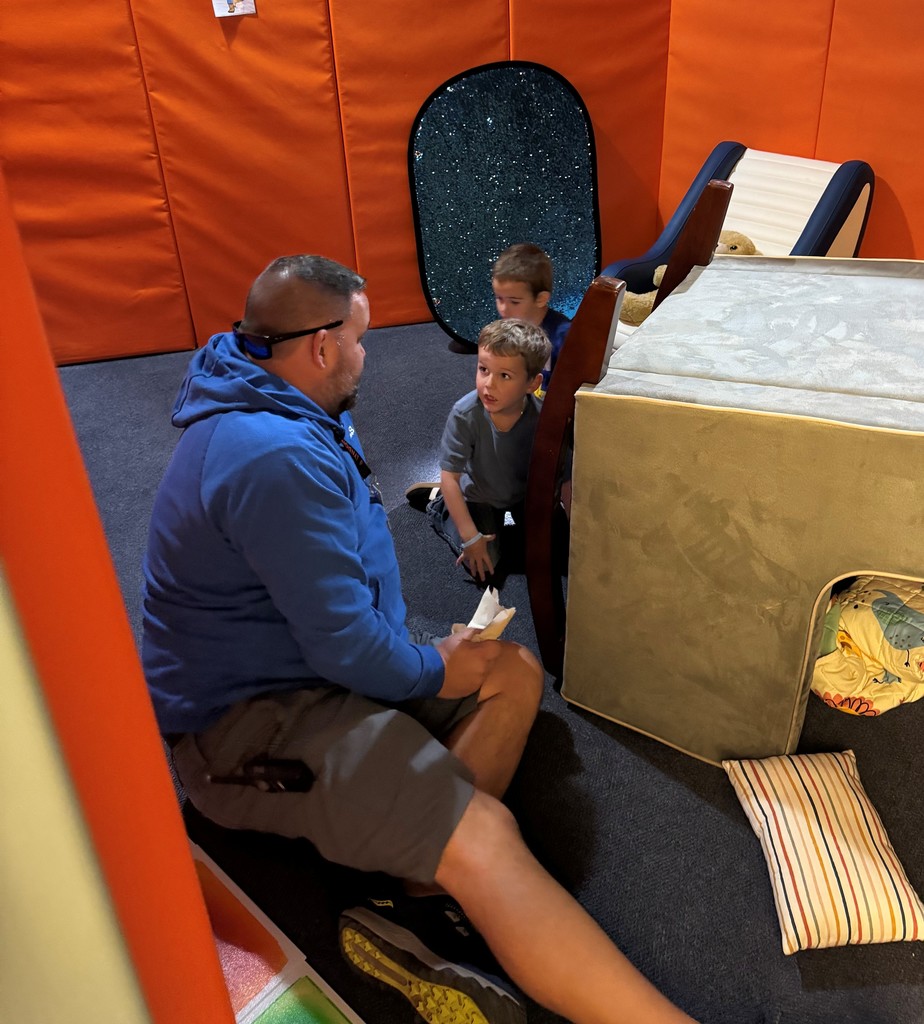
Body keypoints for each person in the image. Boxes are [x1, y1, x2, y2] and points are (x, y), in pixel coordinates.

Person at [142, 254, 697, 1024]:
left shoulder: (276, 388)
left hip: (318, 660)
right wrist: (430, 669)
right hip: (243, 730)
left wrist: (436, 661)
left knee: (513, 674)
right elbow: (347, 651)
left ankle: (417, 887)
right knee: (486, 833)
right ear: (324, 346)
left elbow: (340, 617)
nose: (372, 355)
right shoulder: (271, 457)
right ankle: (446, 876)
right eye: (364, 341)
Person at [415, 318, 548, 586]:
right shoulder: (465, 414)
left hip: (518, 497)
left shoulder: (542, 417)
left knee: (547, 554)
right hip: (479, 496)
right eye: (483, 369)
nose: (489, 384)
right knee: (485, 567)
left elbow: (564, 476)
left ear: (532, 383)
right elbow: (450, 476)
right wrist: (471, 538)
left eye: (505, 376)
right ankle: (441, 507)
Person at [491, 242, 571, 398]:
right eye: (499, 298)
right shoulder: (511, 325)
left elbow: (564, 395)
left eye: (514, 301)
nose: (503, 309)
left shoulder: (563, 337)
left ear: (541, 299)